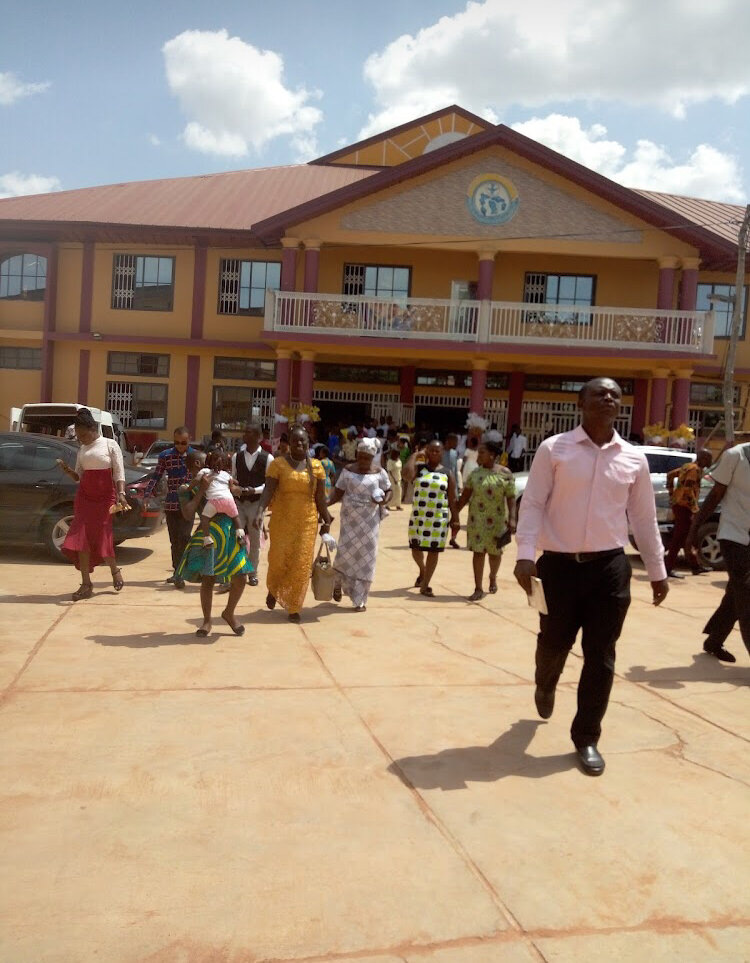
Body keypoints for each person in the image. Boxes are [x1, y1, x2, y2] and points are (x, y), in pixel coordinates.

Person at [514, 377, 668, 776]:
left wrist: (657, 569)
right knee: (554, 643)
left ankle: (587, 737)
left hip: (609, 570)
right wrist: (525, 554)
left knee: (601, 656)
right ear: (581, 402)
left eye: (615, 394)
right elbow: (532, 503)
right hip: (559, 568)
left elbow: (644, 519)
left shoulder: (633, 458)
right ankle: (545, 682)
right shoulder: (555, 449)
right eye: (599, 393)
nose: (608, 398)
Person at [254, 425, 333, 622]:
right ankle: (274, 589)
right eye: (295, 440)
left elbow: (320, 498)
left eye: (303, 441)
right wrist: (260, 510)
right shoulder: (278, 465)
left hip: (307, 522)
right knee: (279, 560)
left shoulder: (316, 466)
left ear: (308, 443)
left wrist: (327, 520)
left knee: (301, 564)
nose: (299, 444)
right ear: (289, 443)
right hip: (282, 520)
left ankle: (294, 606)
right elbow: (268, 492)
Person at [686, 438, 750, 663]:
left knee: (736, 594)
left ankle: (714, 640)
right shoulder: (735, 456)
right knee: (746, 594)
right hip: (733, 535)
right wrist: (694, 530)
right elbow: (715, 496)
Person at [175, 452, 250, 637]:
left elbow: (237, 493)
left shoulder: (223, 479)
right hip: (209, 535)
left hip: (231, 533)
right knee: (208, 578)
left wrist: (235, 489)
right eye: (199, 465)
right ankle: (207, 620)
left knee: (241, 576)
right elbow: (187, 514)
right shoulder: (186, 489)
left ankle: (229, 613)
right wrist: (202, 490)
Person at [57, 407, 129, 600]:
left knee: (103, 537)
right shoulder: (82, 449)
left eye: (82, 434)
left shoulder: (109, 444)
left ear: (92, 429)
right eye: (78, 436)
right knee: (81, 538)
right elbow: (78, 476)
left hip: (105, 498)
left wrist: (121, 494)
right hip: (85, 499)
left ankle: (115, 571)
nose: (80, 439)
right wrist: (67, 470)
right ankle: (86, 584)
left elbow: (119, 473)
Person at [328, 438, 392, 611]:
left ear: (372, 458)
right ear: (357, 455)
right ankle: (338, 583)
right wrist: (323, 505)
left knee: (367, 558)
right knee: (345, 554)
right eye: (361, 457)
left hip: (370, 523)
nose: (363, 461)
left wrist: (383, 501)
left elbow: (389, 490)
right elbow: (338, 492)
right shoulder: (348, 471)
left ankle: (359, 599)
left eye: (367, 458)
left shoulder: (380, 473)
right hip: (350, 521)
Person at [455, 440, 516, 601]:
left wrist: (512, 518)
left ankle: (493, 576)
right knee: (478, 553)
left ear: (492, 455)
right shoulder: (475, 474)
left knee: (495, 553)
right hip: (477, 521)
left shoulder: (505, 474)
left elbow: (511, 498)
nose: (478, 455)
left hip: (497, 520)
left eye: (482, 452)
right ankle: (478, 588)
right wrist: (454, 516)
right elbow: (464, 497)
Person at [403, 439, 459, 597]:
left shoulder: (448, 473)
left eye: (437, 450)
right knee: (415, 549)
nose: (434, 453)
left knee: (433, 552)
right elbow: (406, 475)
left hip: (438, 519)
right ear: (426, 452)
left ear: (442, 453)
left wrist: (455, 519)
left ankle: (425, 584)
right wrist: (415, 455)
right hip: (419, 517)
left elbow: (452, 498)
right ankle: (423, 569)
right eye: (431, 450)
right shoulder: (419, 469)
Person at [144, 426, 195, 588]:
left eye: (184, 442)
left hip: (189, 502)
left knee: (185, 538)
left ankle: (183, 571)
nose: (180, 446)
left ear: (189, 440)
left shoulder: (195, 456)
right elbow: (156, 475)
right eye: (177, 442)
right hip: (172, 502)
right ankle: (177, 572)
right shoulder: (165, 456)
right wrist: (147, 494)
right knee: (174, 540)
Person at [230, 422, 273, 589]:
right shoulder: (236, 457)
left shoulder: (267, 458)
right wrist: (235, 488)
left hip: (257, 504)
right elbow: (233, 478)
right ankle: (238, 569)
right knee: (237, 537)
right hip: (239, 503)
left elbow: (269, 484)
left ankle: (252, 573)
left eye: (248, 432)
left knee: (255, 540)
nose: (244, 435)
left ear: (258, 437)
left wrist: (252, 490)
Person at [663, 449, 713, 578]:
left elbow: (670, 475)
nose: (711, 461)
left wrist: (671, 493)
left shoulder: (687, 466)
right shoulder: (694, 470)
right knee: (678, 539)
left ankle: (695, 567)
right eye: (709, 458)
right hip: (684, 507)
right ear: (703, 458)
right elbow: (688, 490)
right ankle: (667, 569)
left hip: (678, 505)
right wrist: (695, 508)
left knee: (687, 538)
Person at [196, 450, 244, 546]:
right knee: (236, 518)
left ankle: (207, 539)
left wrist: (189, 488)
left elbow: (196, 481)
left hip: (214, 501)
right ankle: (240, 536)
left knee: (205, 518)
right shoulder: (226, 475)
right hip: (229, 500)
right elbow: (235, 484)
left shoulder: (205, 471)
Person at [386, 444, 403, 510]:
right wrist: (394, 479)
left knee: (399, 492)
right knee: (392, 492)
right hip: (392, 479)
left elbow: (400, 469)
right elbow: (389, 471)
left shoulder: (399, 461)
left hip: (399, 478)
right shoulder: (390, 461)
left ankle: (398, 505)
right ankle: (388, 505)